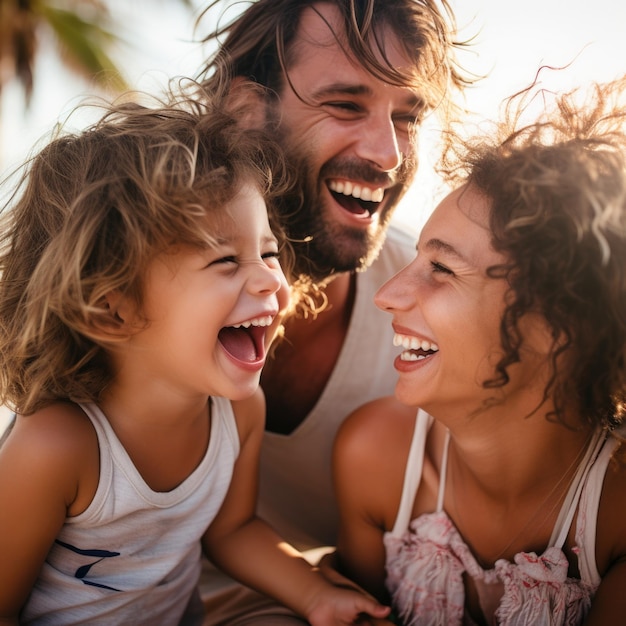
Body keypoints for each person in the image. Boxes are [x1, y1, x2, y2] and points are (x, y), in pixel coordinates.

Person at [0, 92, 393, 625]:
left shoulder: (238, 411)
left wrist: (316, 595)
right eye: (226, 259)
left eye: (270, 252)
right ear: (111, 309)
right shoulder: (57, 447)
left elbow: (232, 531)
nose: (271, 279)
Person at [194, 1, 472, 621]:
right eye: (346, 105)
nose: (388, 155)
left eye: (408, 117)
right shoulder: (137, 292)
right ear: (246, 111)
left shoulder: (442, 310)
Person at [332, 75, 626, 625]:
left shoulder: (615, 513)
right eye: (417, 259)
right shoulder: (375, 457)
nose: (390, 294)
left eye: (441, 268)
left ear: (556, 326)